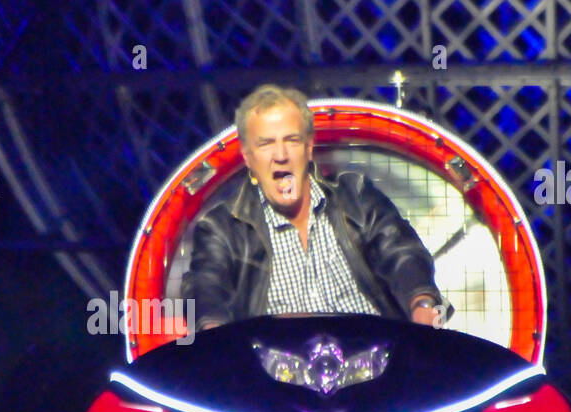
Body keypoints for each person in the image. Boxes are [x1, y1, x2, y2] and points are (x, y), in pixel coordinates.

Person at [182, 84, 450, 332]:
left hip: (373, 361)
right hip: (276, 372)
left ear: (309, 148)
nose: (281, 155)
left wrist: (422, 302)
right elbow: (205, 284)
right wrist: (212, 329)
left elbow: (402, 252)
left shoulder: (354, 195)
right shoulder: (222, 226)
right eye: (266, 144)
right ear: (248, 157)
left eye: (292, 140)